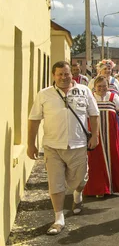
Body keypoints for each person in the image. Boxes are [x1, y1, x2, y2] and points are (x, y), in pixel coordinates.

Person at [27, 61, 100, 235]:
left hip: (78, 144)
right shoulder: (44, 94)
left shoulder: (84, 91)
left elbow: (94, 114)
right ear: (53, 76)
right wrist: (31, 144)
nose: (63, 77)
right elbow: (34, 119)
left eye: (66, 73)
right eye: (59, 74)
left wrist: (95, 135)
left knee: (80, 180)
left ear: (71, 74)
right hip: (53, 146)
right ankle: (58, 218)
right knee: (55, 182)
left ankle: (77, 194)